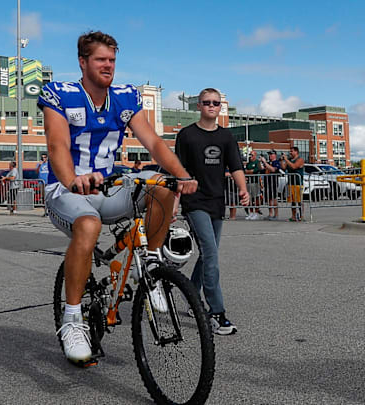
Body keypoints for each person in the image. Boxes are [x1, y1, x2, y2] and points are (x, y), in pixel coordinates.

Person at [39, 31, 198, 364]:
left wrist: (182, 175)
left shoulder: (126, 97)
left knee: (161, 185)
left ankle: (152, 267)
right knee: (88, 225)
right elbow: (57, 146)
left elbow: (153, 143)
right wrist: (73, 181)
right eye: (100, 59)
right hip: (67, 189)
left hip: (108, 186)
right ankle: (72, 321)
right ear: (83, 63)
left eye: (112, 60)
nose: (108, 65)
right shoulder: (61, 94)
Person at [175, 87, 249, 336]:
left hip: (217, 202)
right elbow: (179, 170)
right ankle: (216, 312)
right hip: (194, 202)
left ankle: (191, 297)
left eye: (216, 103)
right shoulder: (186, 135)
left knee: (209, 253)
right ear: (199, 105)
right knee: (210, 253)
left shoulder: (226, 137)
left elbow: (236, 166)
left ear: (220, 107)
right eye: (206, 102)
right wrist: (175, 204)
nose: (211, 106)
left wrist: (243, 189)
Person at [281, 146, 304, 221]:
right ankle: (293, 216)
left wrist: (286, 160)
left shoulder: (300, 159)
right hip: (291, 182)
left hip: (298, 183)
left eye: (292, 151)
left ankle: (301, 216)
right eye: (290, 151)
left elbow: (294, 166)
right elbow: (284, 167)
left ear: (296, 152)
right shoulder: (290, 160)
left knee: (299, 201)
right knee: (293, 201)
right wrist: (282, 160)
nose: (290, 153)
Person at [261, 150, 281, 220]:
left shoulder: (276, 162)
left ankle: (276, 214)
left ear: (275, 155)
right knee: (269, 199)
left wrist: (265, 162)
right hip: (267, 182)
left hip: (273, 182)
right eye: (269, 155)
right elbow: (264, 171)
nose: (270, 156)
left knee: (274, 198)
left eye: (271, 154)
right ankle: (270, 213)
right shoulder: (269, 162)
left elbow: (273, 170)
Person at [244, 151, 263, 220]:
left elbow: (256, 170)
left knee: (256, 197)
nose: (250, 156)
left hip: (255, 182)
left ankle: (257, 212)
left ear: (255, 155)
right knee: (250, 198)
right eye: (250, 155)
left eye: (251, 155)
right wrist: (249, 172)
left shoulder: (257, 162)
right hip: (249, 182)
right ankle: (251, 212)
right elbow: (246, 171)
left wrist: (250, 172)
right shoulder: (249, 163)